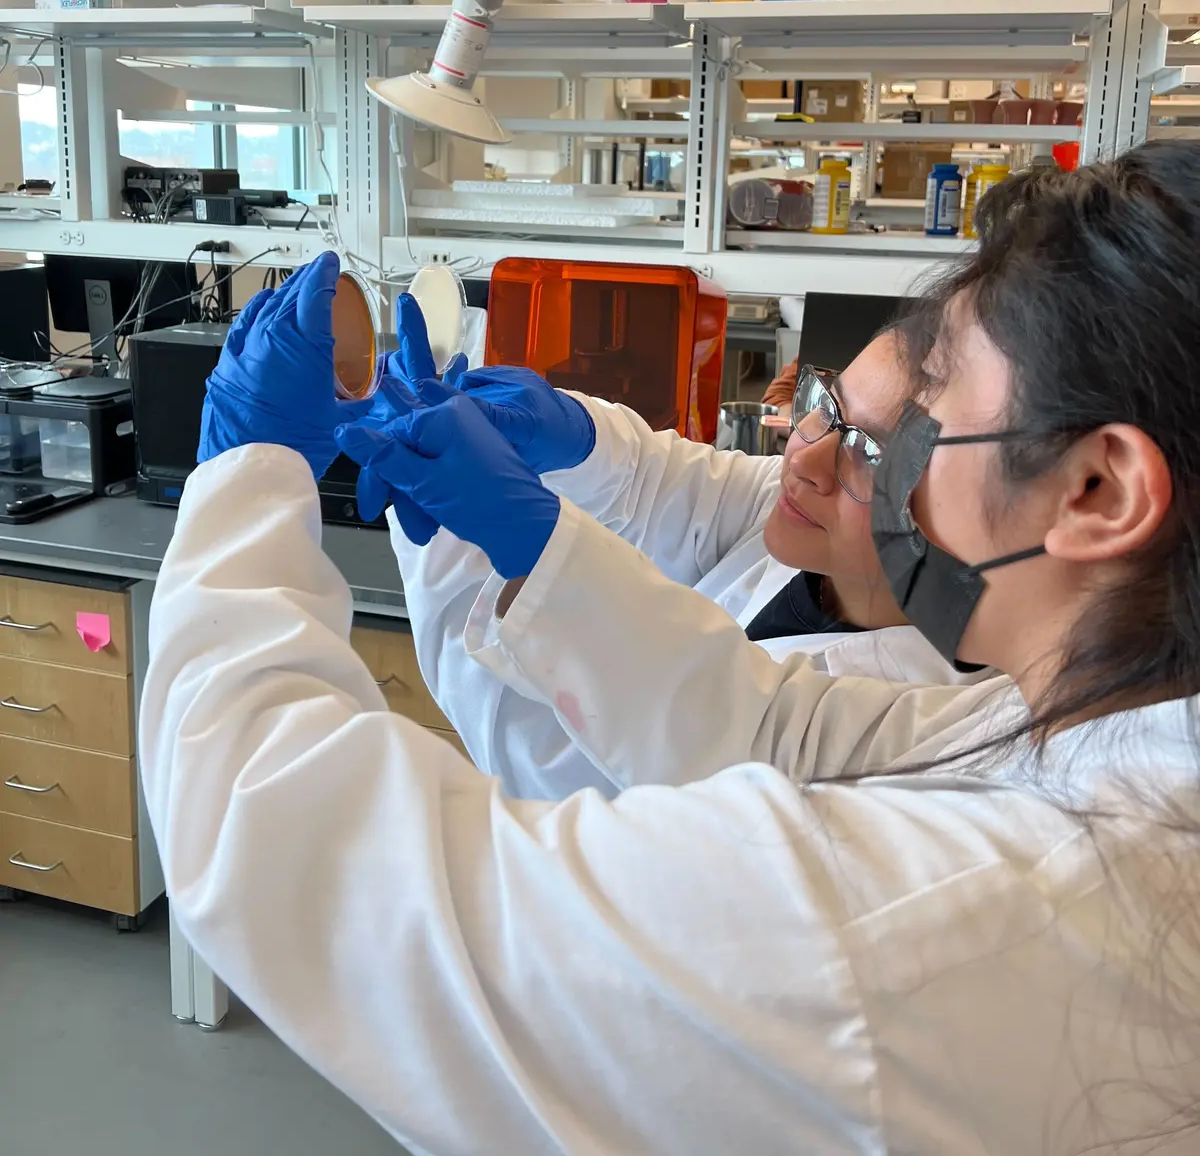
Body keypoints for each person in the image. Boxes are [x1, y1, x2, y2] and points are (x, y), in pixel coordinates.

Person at [140, 141, 1200, 1155]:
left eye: (917, 425)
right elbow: (779, 730)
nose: (829, 465)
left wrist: (245, 474)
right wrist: (534, 510)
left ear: (1097, 491)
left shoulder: (904, 924)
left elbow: (309, 866)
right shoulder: (1083, 723)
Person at [377, 311, 991, 800]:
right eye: (827, 407)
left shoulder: (916, 725)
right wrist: (576, 434)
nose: (803, 459)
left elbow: (550, 764)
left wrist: (452, 529)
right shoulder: (811, 531)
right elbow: (661, 483)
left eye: (870, 455)